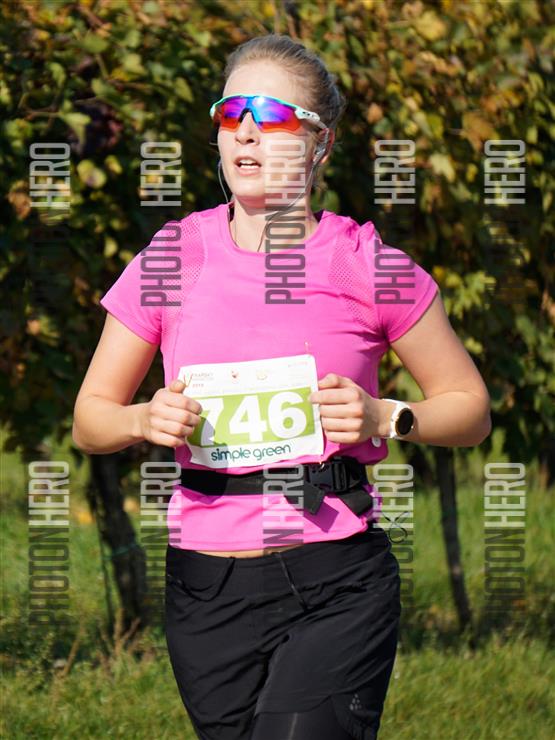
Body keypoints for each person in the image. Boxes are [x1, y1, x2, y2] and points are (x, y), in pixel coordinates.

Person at [72, 33, 491, 740]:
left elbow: (470, 409)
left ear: (320, 144)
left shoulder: (369, 264)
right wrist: (142, 420)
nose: (245, 131)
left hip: (335, 574)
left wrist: (386, 416)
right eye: (231, 112)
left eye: (271, 116)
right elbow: (90, 420)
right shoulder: (173, 257)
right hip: (205, 585)